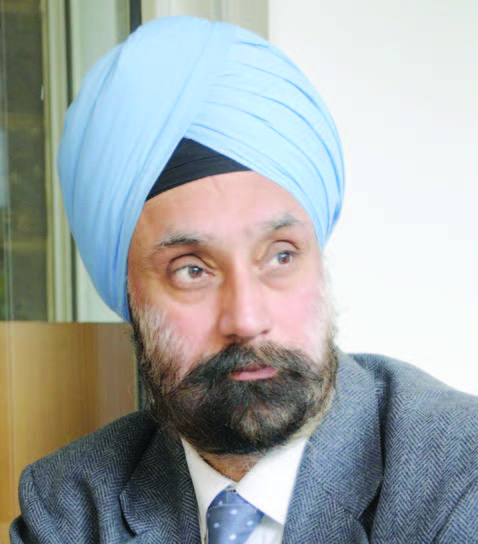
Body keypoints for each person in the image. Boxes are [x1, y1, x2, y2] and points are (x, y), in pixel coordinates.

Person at [10, 16, 478, 544]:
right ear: (129, 295)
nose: (247, 319)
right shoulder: (71, 508)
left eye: (280, 256)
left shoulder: (459, 477)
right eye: (192, 270)